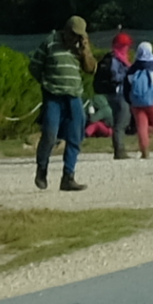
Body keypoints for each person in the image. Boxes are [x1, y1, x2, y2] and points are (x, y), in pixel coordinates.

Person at [28, 16, 97, 191]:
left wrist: (86, 51)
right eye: (74, 35)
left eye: (80, 36)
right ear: (66, 31)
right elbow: (34, 66)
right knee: (50, 134)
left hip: (74, 96)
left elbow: (90, 69)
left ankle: (68, 176)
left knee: (75, 136)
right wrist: (46, 84)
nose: (76, 39)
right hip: (53, 96)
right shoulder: (50, 42)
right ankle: (42, 168)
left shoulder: (80, 48)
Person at [94, 32, 133, 159]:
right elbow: (116, 76)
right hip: (118, 93)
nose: (127, 48)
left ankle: (119, 149)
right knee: (121, 122)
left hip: (113, 93)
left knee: (120, 121)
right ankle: (119, 150)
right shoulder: (116, 60)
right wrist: (128, 75)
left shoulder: (115, 58)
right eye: (125, 45)